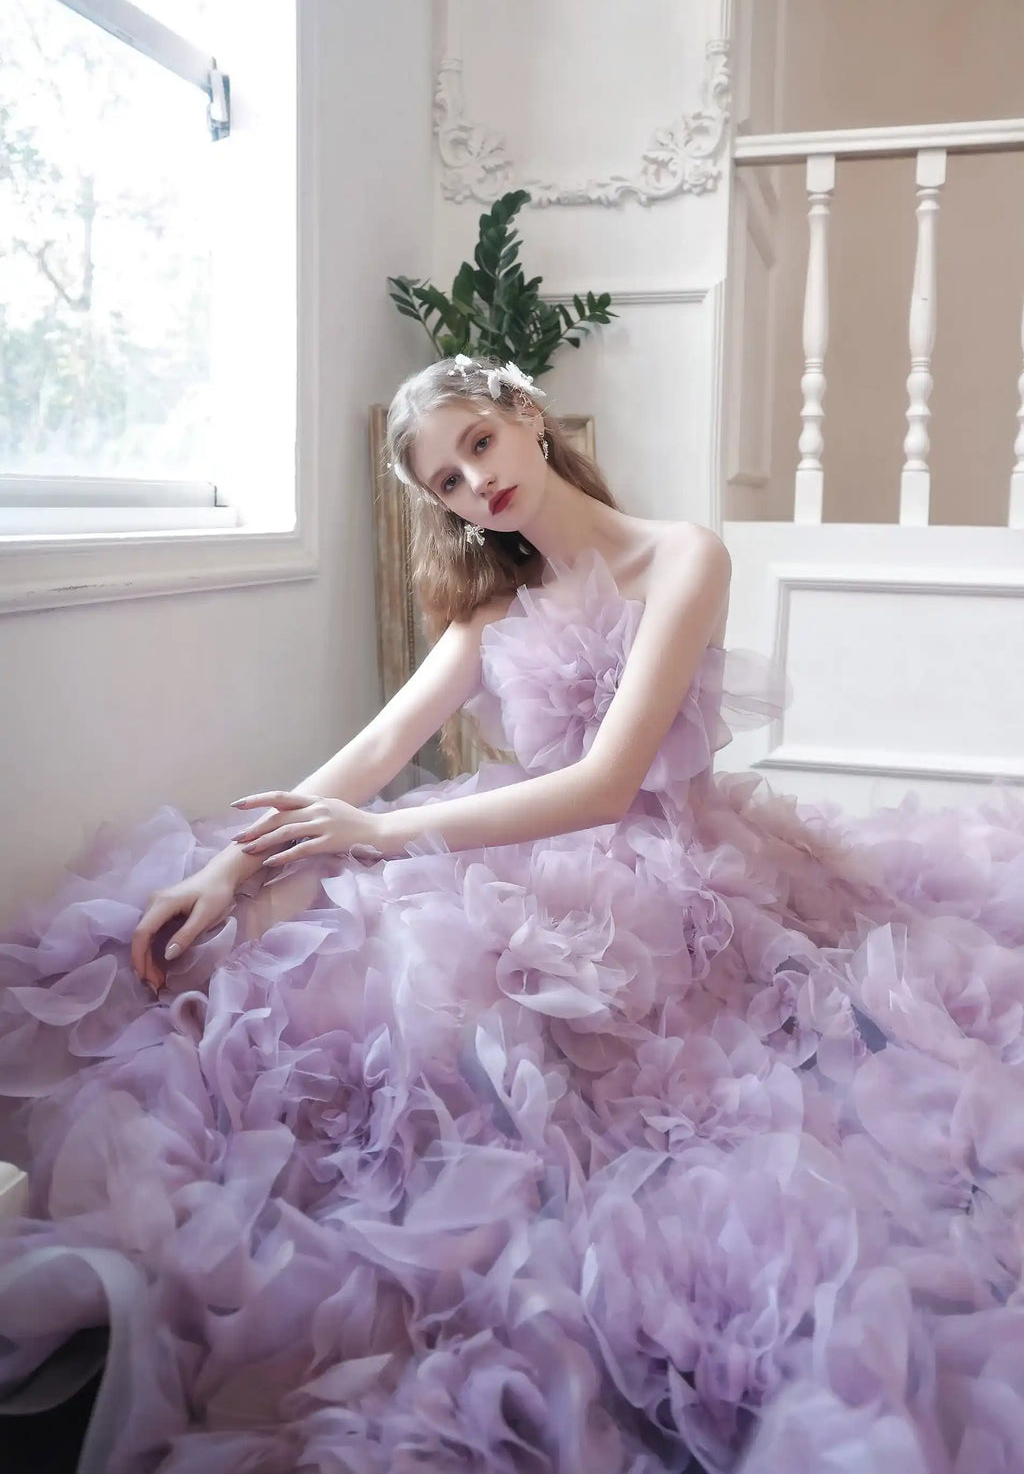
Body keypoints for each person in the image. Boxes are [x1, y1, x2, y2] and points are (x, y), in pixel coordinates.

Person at [0, 353, 1022, 1474]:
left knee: (513, 1001)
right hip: (525, 849)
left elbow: (609, 783)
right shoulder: (492, 609)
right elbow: (378, 750)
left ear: (525, 417)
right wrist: (228, 869)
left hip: (664, 867)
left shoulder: (684, 555)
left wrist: (384, 832)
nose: (473, 484)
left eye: (478, 444)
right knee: (309, 935)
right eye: (444, 481)